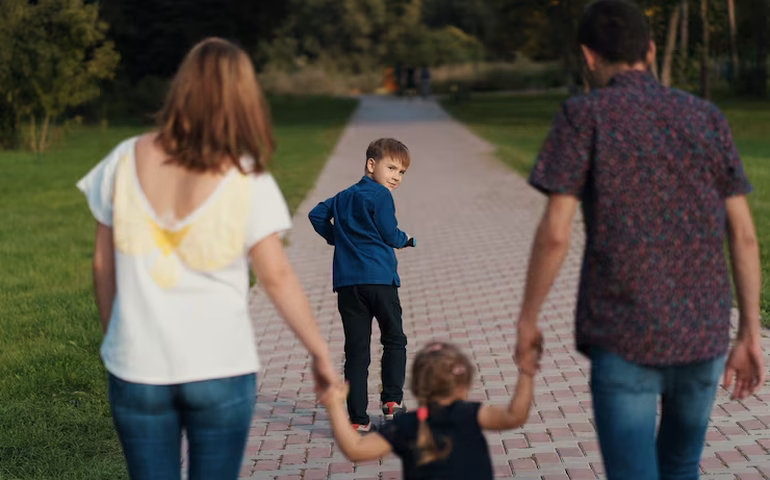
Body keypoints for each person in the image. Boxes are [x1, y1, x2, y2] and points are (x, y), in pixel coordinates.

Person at [514, 1, 764, 479]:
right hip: (703, 334)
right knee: (681, 467)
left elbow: (555, 234)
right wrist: (749, 331)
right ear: (649, 51)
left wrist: (528, 319)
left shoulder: (583, 115)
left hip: (624, 333)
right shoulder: (705, 116)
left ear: (588, 56)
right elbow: (745, 235)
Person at [76, 37, 338, 480]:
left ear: (183, 88)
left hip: (137, 368)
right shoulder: (246, 175)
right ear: (242, 98)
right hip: (220, 368)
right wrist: (319, 352)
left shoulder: (123, 159)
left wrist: (115, 341)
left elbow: (103, 265)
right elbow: (275, 274)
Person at [320, 340, 542, 480]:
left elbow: (355, 448)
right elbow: (515, 415)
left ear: (417, 387)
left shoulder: (405, 426)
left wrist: (334, 406)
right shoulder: (470, 415)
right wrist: (526, 371)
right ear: (463, 386)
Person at [309, 138, 414, 431]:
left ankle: (357, 419)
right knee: (394, 339)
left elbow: (316, 215)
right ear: (371, 164)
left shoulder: (342, 197)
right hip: (380, 280)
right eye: (391, 167)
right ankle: (392, 402)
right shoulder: (380, 196)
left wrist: (337, 237)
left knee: (356, 351)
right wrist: (406, 240)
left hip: (347, 285)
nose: (396, 176)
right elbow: (388, 232)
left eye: (402, 172)